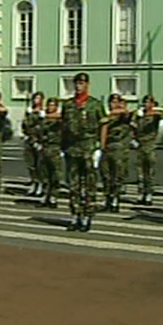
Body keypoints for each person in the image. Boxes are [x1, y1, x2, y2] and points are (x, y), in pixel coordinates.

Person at [61, 72, 105, 232]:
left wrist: (100, 147)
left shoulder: (96, 104)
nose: (79, 86)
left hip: (89, 148)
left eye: (82, 83)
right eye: (77, 83)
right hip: (72, 149)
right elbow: (64, 126)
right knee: (73, 185)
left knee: (89, 185)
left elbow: (103, 125)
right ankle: (75, 215)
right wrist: (63, 147)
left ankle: (87, 216)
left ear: (87, 85)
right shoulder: (67, 105)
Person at [100, 93, 132, 212]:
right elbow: (103, 129)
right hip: (107, 148)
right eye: (111, 102)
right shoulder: (107, 118)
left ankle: (115, 198)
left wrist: (113, 113)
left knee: (117, 175)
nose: (113, 104)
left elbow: (127, 112)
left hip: (119, 148)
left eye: (115, 102)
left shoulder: (122, 116)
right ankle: (107, 198)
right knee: (106, 175)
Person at [132, 95, 163, 205]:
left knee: (150, 171)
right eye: (145, 102)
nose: (147, 104)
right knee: (140, 171)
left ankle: (149, 194)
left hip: (151, 145)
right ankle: (141, 193)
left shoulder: (155, 115)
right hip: (140, 144)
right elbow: (133, 126)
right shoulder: (139, 115)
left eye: (149, 102)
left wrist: (149, 112)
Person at [39, 97, 63, 208]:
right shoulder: (43, 120)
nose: (50, 107)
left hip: (55, 148)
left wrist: (46, 116)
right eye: (49, 105)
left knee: (55, 175)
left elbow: (62, 117)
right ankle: (46, 196)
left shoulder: (58, 119)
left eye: (52, 105)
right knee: (44, 174)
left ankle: (54, 196)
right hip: (44, 147)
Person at [22, 91, 45, 197]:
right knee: (30, 164)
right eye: (35, 98)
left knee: (39, 165)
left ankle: (40, 184)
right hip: (30, 140)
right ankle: (34, 182)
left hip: (39, 141)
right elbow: (25, 124)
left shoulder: (43, 112)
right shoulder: (30, 111)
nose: (36, 100)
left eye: (38, 98)